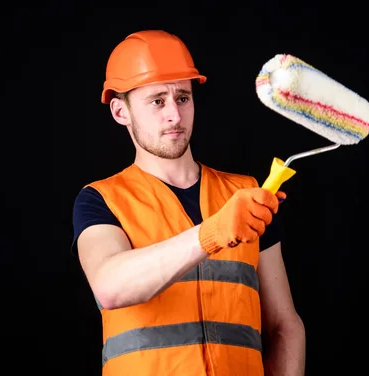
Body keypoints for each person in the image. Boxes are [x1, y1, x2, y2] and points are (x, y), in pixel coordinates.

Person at [71, 30, 306, 376]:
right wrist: (214, 230)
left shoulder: (246, 194)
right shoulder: (101, 200)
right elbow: (110, 287)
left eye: (183, 98)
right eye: (157, 101)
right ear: (121, 112)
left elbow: (284, 326)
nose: (174, 115)